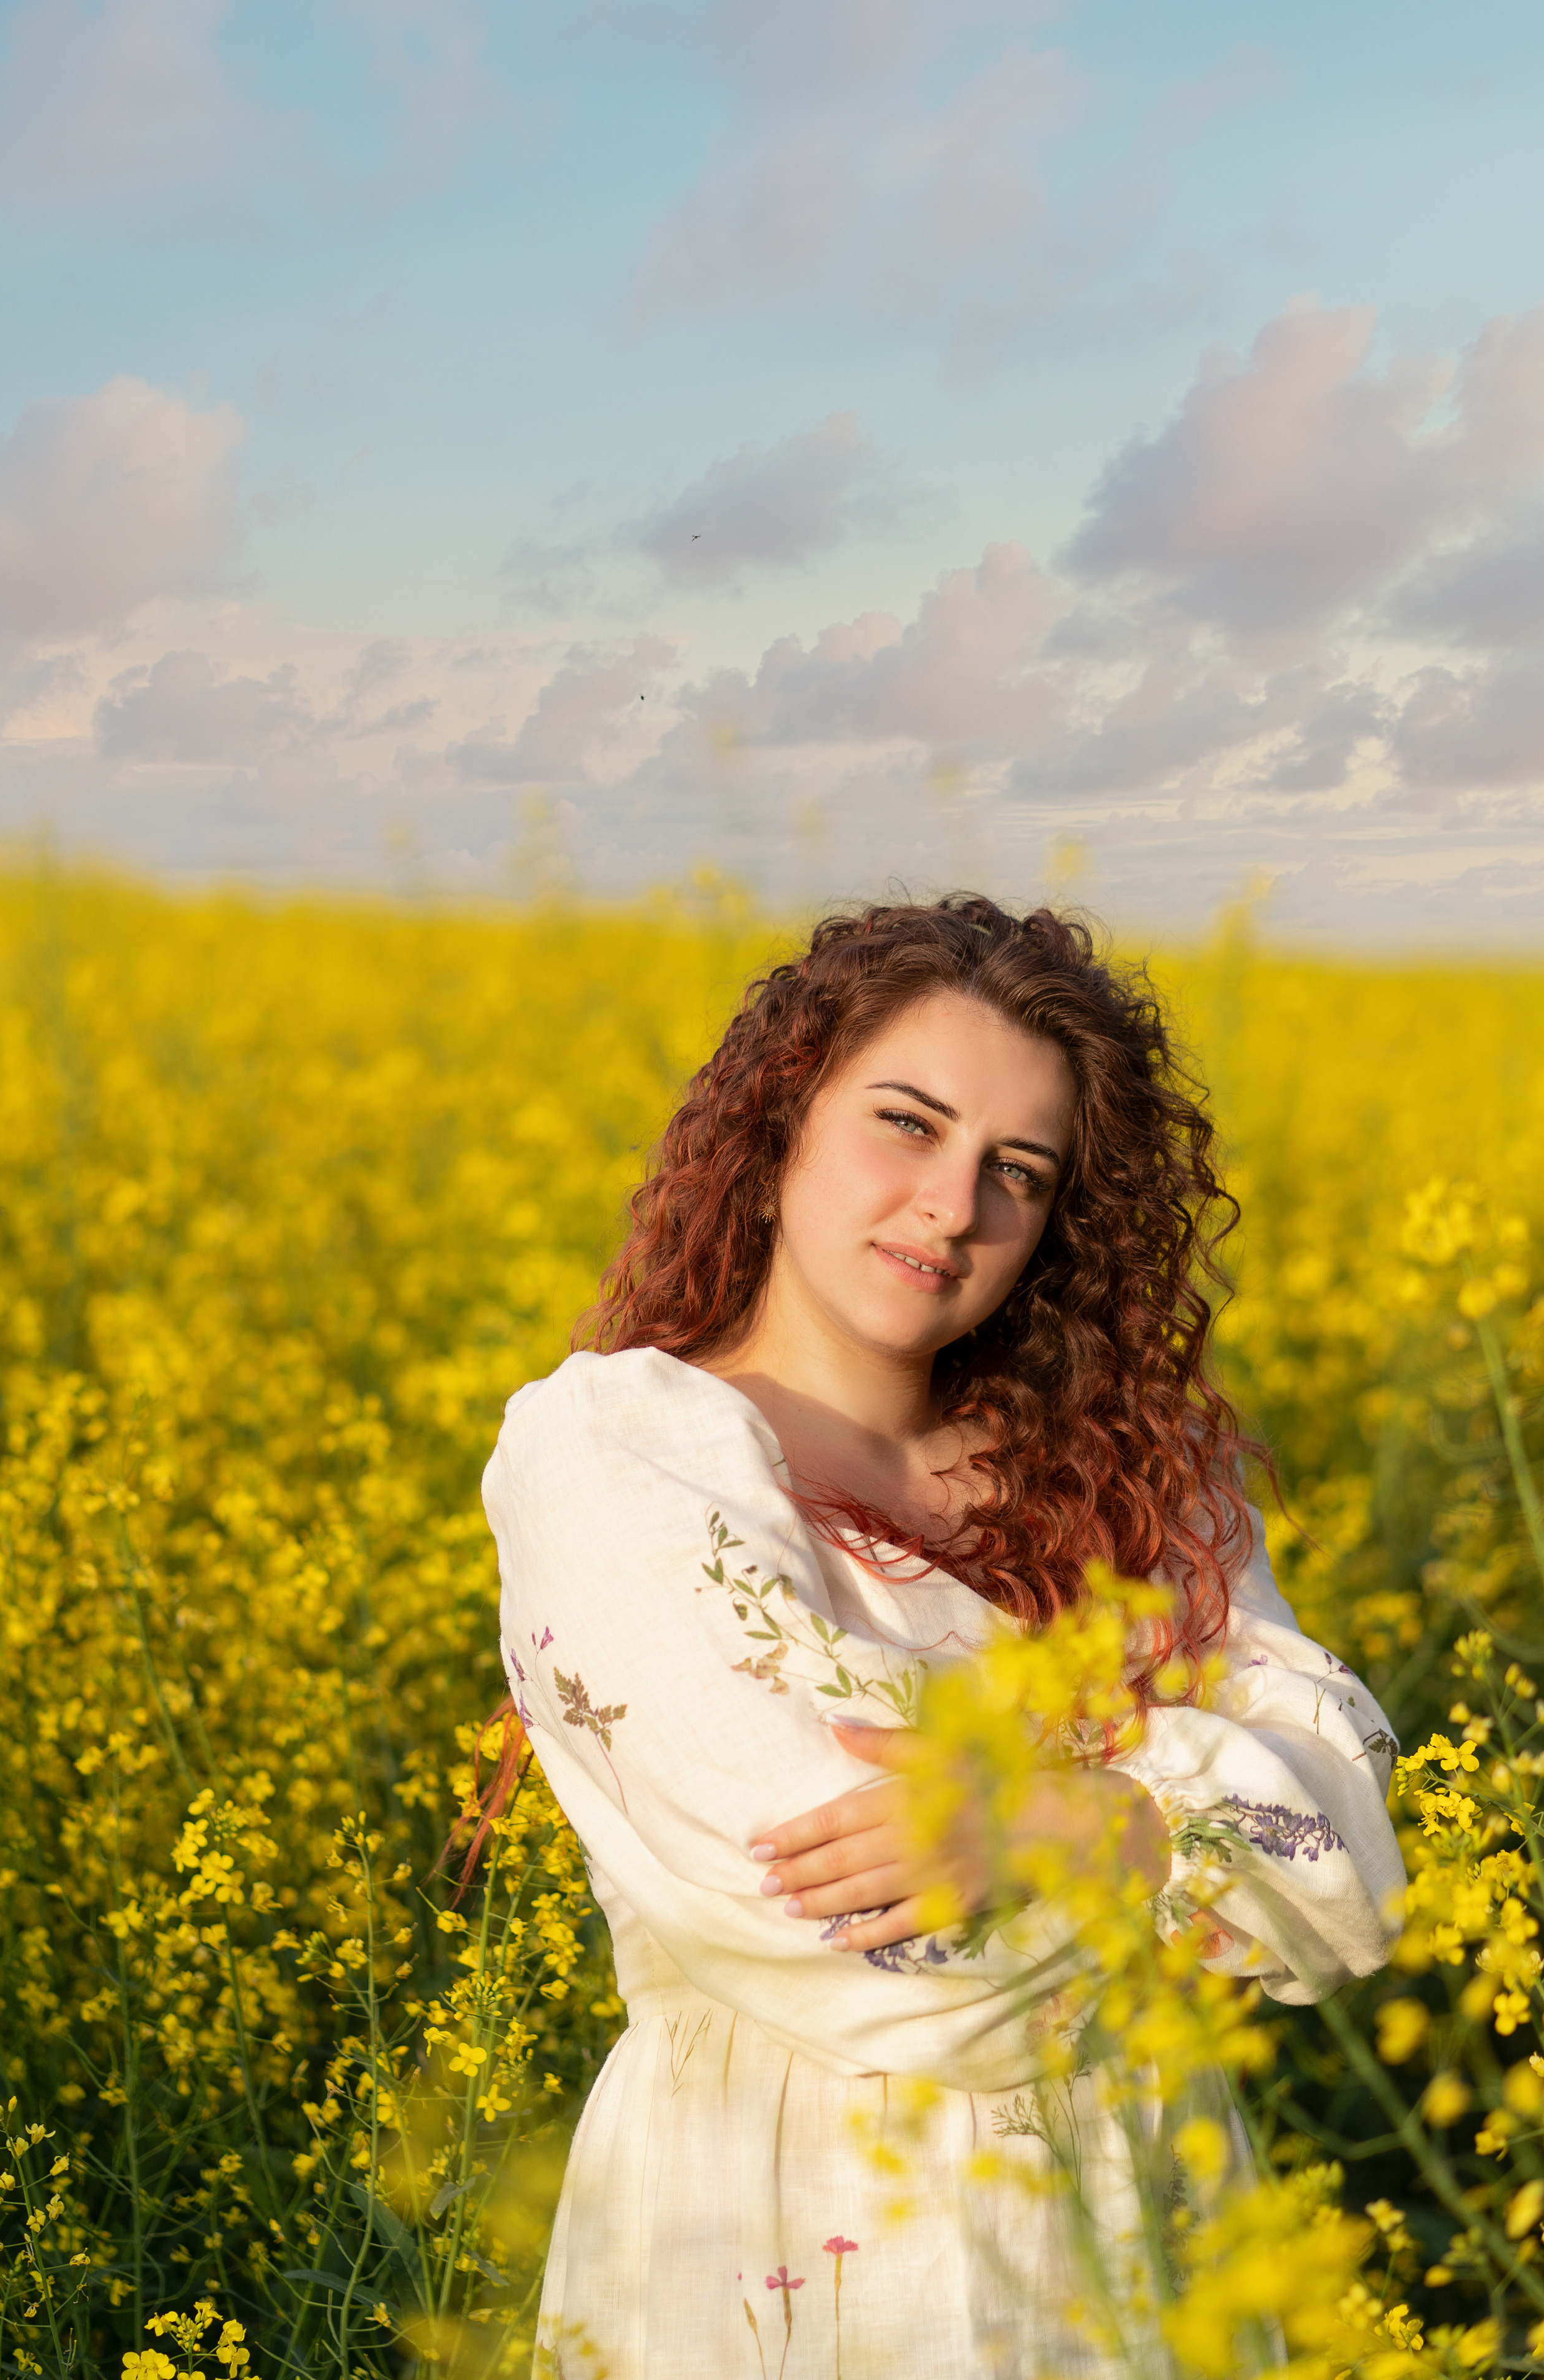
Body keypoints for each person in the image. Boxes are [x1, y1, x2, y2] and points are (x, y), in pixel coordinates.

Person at [482, 897, 1404, 2380]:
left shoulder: (1141, 1471)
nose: (951, 1205)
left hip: (1151, 2229)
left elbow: (1355, 1852)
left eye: (1016, 1173)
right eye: (904, 1124)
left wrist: (1087, 1821)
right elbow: (874, 1941)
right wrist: (1201, 1835)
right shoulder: (610, 1446)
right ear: (779, 1122)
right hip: (796, 2234)